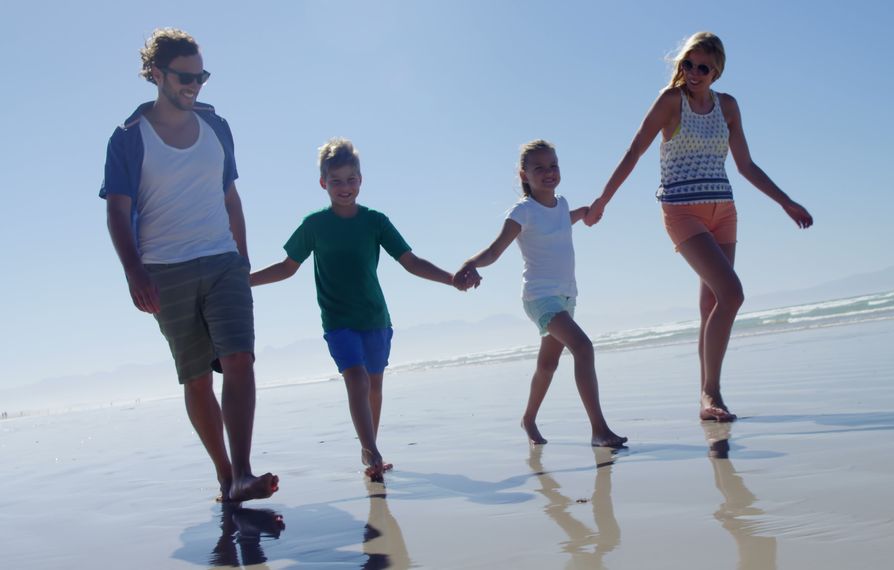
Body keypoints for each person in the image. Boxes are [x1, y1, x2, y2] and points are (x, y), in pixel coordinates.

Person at [584, 32, 814, 422]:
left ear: (717, 71)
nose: (692, 72)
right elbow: (634, 151)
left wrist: (785, 201)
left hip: (723, 211)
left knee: (712, 303)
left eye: (702, 67)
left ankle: (710, 395)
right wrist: (603, 200)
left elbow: (745, 165)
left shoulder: (729, 107)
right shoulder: (671, 101)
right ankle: (711, 395)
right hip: (681, 211)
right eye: (687, 63)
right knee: (733, 294)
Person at [100, 28, 277, 502]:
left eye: (201, 76)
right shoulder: (127, 139)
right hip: (164, 269)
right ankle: (224, 474)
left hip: (222, 260)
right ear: (156, 74)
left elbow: (230, 196)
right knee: (196, 375)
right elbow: (117, 211)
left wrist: (242, 257)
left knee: (239, 358)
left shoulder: (217, 127)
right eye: (185, 76)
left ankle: (243, 472)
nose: (194, 85)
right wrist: (135, 272)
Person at [249, 137, 476, 481]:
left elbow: (410, 262)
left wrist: (451, 279)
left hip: (375, 318)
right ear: (323, 182)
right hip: (339, 321)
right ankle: (372, 453)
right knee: (355, 378)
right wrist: (244, 281)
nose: (344, 187)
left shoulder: (375, 221)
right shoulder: (314, 225)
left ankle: (370, 445)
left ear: (361, 180)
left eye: (350, 179)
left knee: (373, 385)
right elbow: (286, 267)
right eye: (336, 180)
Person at [455, 140, 627, 447]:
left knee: (548, 365)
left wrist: (587, 212)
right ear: (524, 175)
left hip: (567, 296)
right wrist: (471, 262)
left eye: (553, 166)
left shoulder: (560, 205)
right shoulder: (522, 212)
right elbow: (496, 250)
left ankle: (528, 419)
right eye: (539, 168)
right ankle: (599, 430)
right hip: (540, 297)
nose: (548, 173)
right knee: (583, 348)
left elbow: (564, 220)